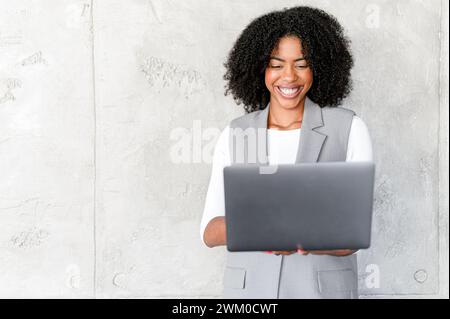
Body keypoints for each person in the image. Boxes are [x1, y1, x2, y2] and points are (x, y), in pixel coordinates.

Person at [200, 6, 373, 298]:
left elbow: (355, 234)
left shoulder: (349, 128)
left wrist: (300, 237)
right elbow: (210, 230)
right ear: (260, 69)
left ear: (318, 67)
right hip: (250, 295)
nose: (289, 77)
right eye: (276, 64)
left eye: (301, 64)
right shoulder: (237, 133)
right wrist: (268, 229)